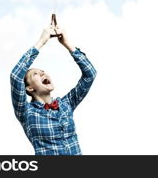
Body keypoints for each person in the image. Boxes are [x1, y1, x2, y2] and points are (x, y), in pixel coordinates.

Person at [10, 22, 97, 155]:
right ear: (29, 88)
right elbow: (16, 76)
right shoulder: (26, 112)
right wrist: (41, 41)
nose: (42, 74)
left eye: (43, 71)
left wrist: (67, 43)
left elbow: (90, 74)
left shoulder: (66, 103)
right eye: (35, 74)